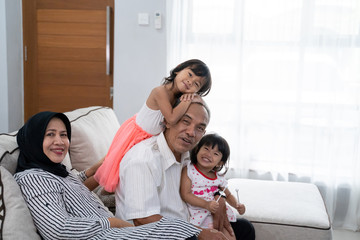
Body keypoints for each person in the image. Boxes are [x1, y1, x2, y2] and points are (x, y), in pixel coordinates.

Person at [14, 111, 202, 240]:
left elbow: (68, 185)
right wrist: (113, 222)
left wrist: (96, 167)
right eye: (50, 135)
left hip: (111, 233)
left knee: (176, 228)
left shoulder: (55, 171)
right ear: (34, 139)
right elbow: (57, 229)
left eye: (63, 135)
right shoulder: (33, 177)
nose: (59, 141)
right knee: (177, 231)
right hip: (103, 235)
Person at [115, 100, 255, 240]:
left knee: (245, 228)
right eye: (185, 121)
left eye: (199, 128)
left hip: (188, 224)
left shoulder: (190, 154)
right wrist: (200, 232)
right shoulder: (143, 159)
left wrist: (220, 197)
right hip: (153, 234)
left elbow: (210, 180)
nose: (191, 132)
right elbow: (143, 220)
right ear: (168, 121)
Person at [95, 59, 212, 192]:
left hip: (148, 137)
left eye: (196, 84)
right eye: (190, 74)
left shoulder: (178, 98)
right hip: (136, 134)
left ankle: (94, 183)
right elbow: (172, 118)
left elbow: (196, 109)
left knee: (111, 163)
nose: (190, 81)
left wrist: (191, 98)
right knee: (108, 167)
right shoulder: (160, 92)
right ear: (179, 69)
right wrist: (189, 99)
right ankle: (82, 188)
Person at [180, 133, 246, 240]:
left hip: (218, 215)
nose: (208, 154)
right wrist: (206, 204)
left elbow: (228, 195)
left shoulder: (218, 178)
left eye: (215, 154)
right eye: (206, 148)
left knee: (230, 236)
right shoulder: (189, 170)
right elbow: (185, 194)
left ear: (220, 163)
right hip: (199, 217)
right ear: (197, 150)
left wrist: (237, 205)